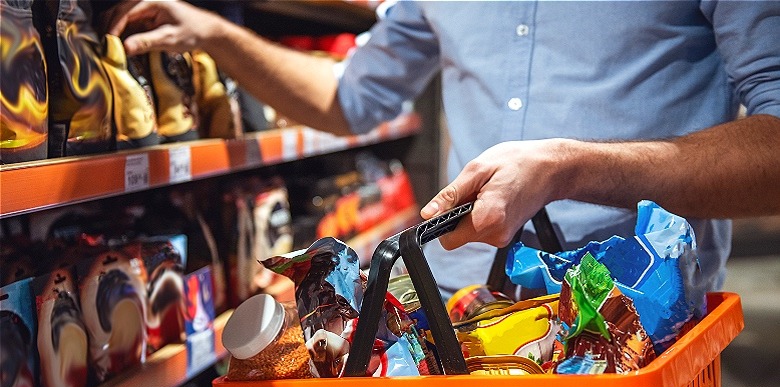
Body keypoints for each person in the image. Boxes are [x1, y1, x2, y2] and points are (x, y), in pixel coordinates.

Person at [106, 0, 780, 298]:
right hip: (465, 321)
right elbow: (351, 99)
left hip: (636, 321)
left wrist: (570, 169)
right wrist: (216, 35)